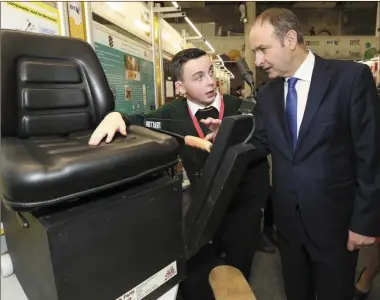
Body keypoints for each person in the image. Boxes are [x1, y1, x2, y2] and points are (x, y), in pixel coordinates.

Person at [201, 8, 380, 300]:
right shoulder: (268, 93)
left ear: (291, 39)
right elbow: (259, 143)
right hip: (288, 227)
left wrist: (365, 222)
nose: (257, 60)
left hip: (335, 226)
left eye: (262, 49)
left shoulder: (350, 79)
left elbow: (371, 156)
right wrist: (228, 133)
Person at [88, 48, 270, 299]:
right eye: (198, 77)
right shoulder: (171, 113)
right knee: (199, 272)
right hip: (205, 206)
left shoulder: (242, 108)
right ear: (181, 88)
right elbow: (140, 119)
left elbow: (263, 151)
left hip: (242, 208)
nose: (210, 81)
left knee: (238, 273)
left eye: (210, 72)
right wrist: (116, 115)